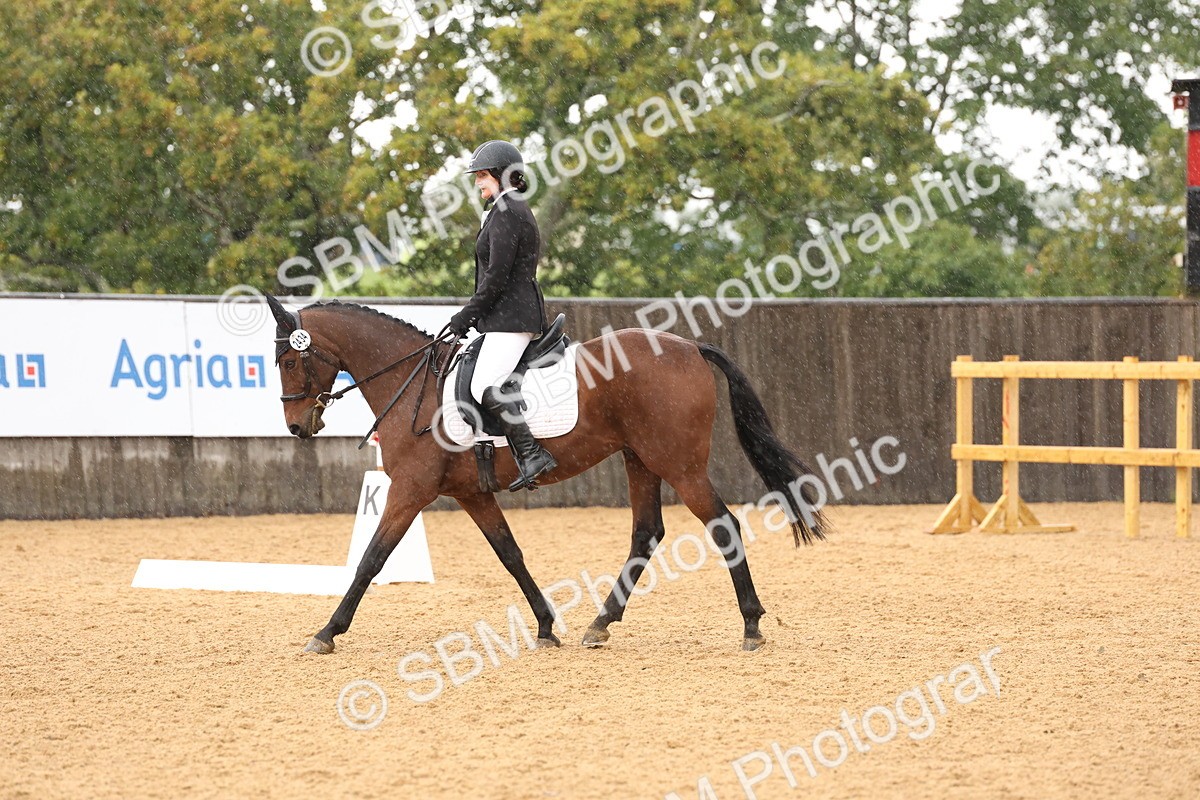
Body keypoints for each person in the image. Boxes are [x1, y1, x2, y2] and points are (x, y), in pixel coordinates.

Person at [447, 140, 558, 491]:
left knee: (484, 385)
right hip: (506, 317)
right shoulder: (502, 208)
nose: (477, 182)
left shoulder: (509, 211)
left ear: (501, 174)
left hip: (513, 318)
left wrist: (466, 316)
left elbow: (496, 277)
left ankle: (532, 454)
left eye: (482, 175)